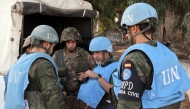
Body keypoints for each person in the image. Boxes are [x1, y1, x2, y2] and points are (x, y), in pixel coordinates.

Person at [110, 2, 190, 109]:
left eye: (127, 29)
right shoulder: (167, 52)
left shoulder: (135, 59)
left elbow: (127, 105)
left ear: (134, 28)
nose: (127, 34)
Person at [4, 25, 66, 109]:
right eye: (53, 46)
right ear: (47, 44)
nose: (52, 50)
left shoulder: (19, 62)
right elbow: (53, 99)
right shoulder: (42, 64)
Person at [52, 27, 95, 109]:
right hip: (63, 96)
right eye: (68, 42)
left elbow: (96, 72)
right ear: (64, 42)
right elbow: (50, 76)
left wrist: (86, 75)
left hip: (82, 96)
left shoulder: (85, 55)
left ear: (77, 42)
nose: (71, 45)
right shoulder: (57, 56)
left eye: (73, 42)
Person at [77, 36, 118, 109]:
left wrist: (97, 77)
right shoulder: (99, 65)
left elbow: (115, 92)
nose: (95, 56)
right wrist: (85, 77)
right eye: (93, 53)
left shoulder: (115, 68)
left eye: (98, 52)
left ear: (107, 52)